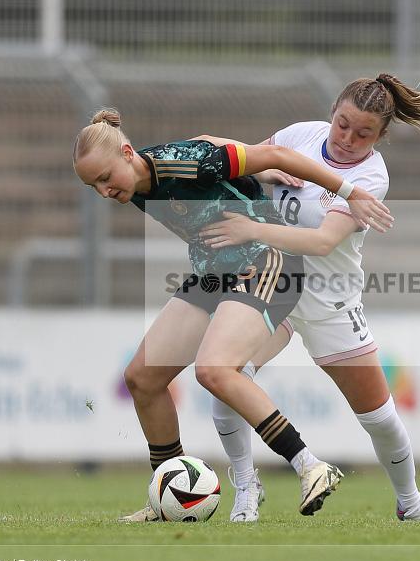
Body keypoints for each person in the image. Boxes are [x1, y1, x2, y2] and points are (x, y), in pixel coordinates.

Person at [72, 108, 392, 520]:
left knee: (214, 369)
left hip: (266, 262)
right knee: (143, 378)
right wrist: (252, 175)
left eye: (104, 178)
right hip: (213, 271)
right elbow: (211, 140)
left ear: (128, 153)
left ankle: (310, 465)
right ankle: (170, 493)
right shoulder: (134, 176)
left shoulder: (182, 161)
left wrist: (349, 192)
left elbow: (276, 155)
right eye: (92, 185)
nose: (102, 191)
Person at [195, 73, 420, 522]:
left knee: (379, 416)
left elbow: (320, 242)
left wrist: (248, 229)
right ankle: (246, 490)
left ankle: (410, 504)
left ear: (381, 137)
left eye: (364, 133)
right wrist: (263, 166)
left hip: (331, 300)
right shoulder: (300, 136)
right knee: (227, 374)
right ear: (332, 112)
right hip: (277, 284)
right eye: (343, 125)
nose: (349, 138)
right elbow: (245, 160)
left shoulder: (371, 175)